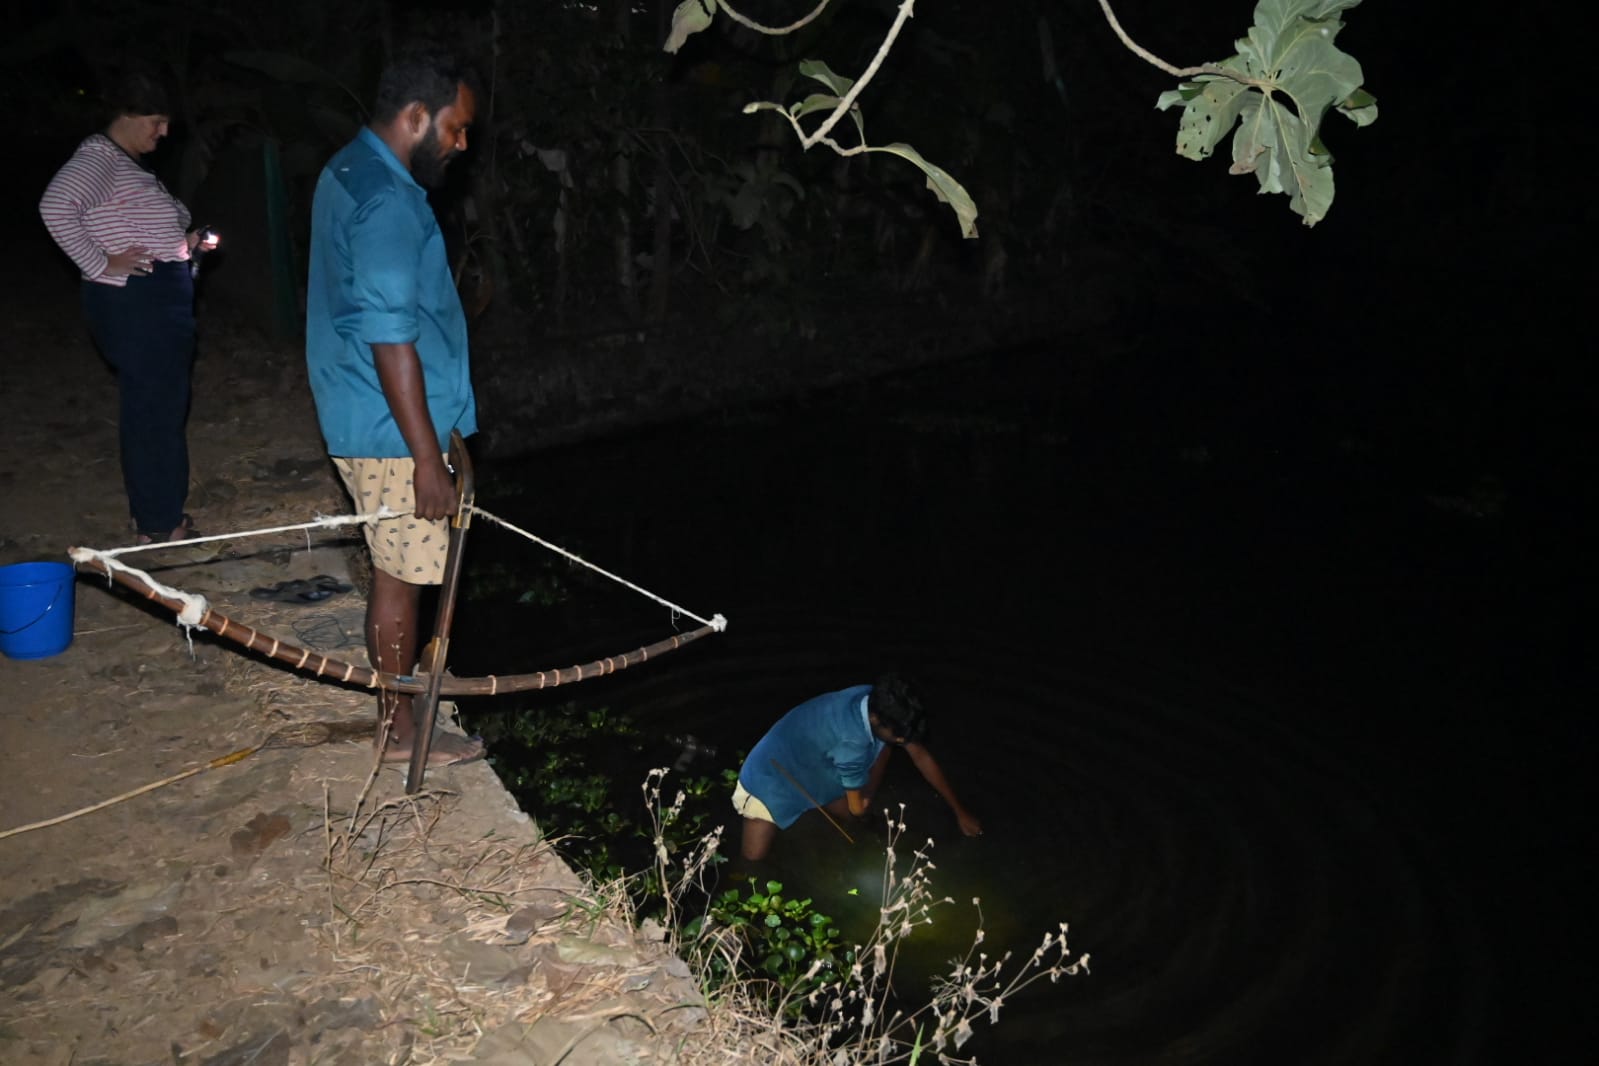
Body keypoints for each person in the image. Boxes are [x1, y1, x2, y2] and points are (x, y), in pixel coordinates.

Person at [304, 48, 484, 768]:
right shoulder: (386, 201)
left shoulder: (351, 166)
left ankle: (398, 714)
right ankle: (401, 730)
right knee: (400, 577)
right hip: (388, 428)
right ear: (417, 117)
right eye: (456, 127)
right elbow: (389, 338)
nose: (462, 144)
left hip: (365, 409)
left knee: (391, 566)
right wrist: (423, 460)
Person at [39, 70, 219, 544]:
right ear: (126, 114)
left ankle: (156, 514)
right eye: (156, 121)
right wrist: (102, 264)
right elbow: (56, 206)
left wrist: (184, 243)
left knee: (160, 406)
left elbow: (136, 222)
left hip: (157, 297)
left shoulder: (124, 163)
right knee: (153, 410)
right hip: (137, 301)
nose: (163, 133)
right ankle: (159, 521)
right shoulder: (97, 158)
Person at [733, 674, 982, 861]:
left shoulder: (873, 698)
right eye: (899, 736)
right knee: (754, 859)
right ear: (875, 718)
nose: (902, 742)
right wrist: (862, 812)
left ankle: (861, 820)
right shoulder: (852, 744)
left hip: (816, 767)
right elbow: (855, 808)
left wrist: (959, 811)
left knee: (883, 750)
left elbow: (920, 756)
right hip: (771, 779)